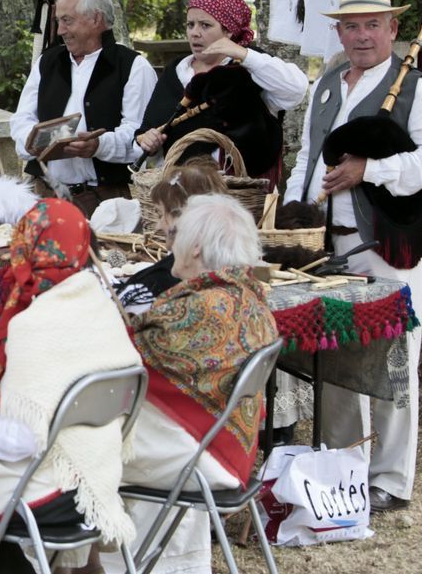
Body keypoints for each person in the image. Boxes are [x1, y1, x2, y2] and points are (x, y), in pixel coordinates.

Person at [283, 0, 422, 513]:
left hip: (387, 242)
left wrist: (370, 170)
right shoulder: (328, 87)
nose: (361, 36)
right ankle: (341, 467)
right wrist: (293, 215)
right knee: (334, 357)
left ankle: (389, 478)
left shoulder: (420, 90)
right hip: (325, 245)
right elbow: (308, 161)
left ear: (393, 28)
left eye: (372, 25)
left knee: (395, 360)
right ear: (339, 32)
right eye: (351, 26)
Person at [0, 198, 142, 573]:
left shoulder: (34, 322)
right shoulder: (104, 307)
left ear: (27, 246)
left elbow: (24, 439)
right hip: (100, 474)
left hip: (49, 485)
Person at [100, 194, 278, 574]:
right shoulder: (251, 296)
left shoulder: (196, 308)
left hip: (204, 458)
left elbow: (119, 359)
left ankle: (92, 561)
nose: (170, 240)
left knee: (76, 440)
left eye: (177, 233)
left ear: (195, 247)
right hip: (229, 450)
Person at [9, 0, 157, 217]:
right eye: (59, 21)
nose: (60, 31)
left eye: (67, 21)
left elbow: (141, 137)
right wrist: (30, 141)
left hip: (106, 202)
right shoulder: (48, 62)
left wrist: (98, 146)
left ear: (96, 20)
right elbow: (22, 118)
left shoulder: (132, 67)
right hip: (45, 194)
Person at [136, 0, 309, 185]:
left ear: (228, 31)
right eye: (190, 24)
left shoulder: (248, 68)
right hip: (181, 190)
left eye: (205, 25)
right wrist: (148, 140)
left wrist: (245, 55)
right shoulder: (176, 71)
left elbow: (296, 89)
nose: (195, 32)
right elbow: (150, 129)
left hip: (241, 190)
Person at [116, 164, 228, 313]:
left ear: (182, 218)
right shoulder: (236, 272)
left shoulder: (157, 284)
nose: (158, 226)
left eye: (162, 215)